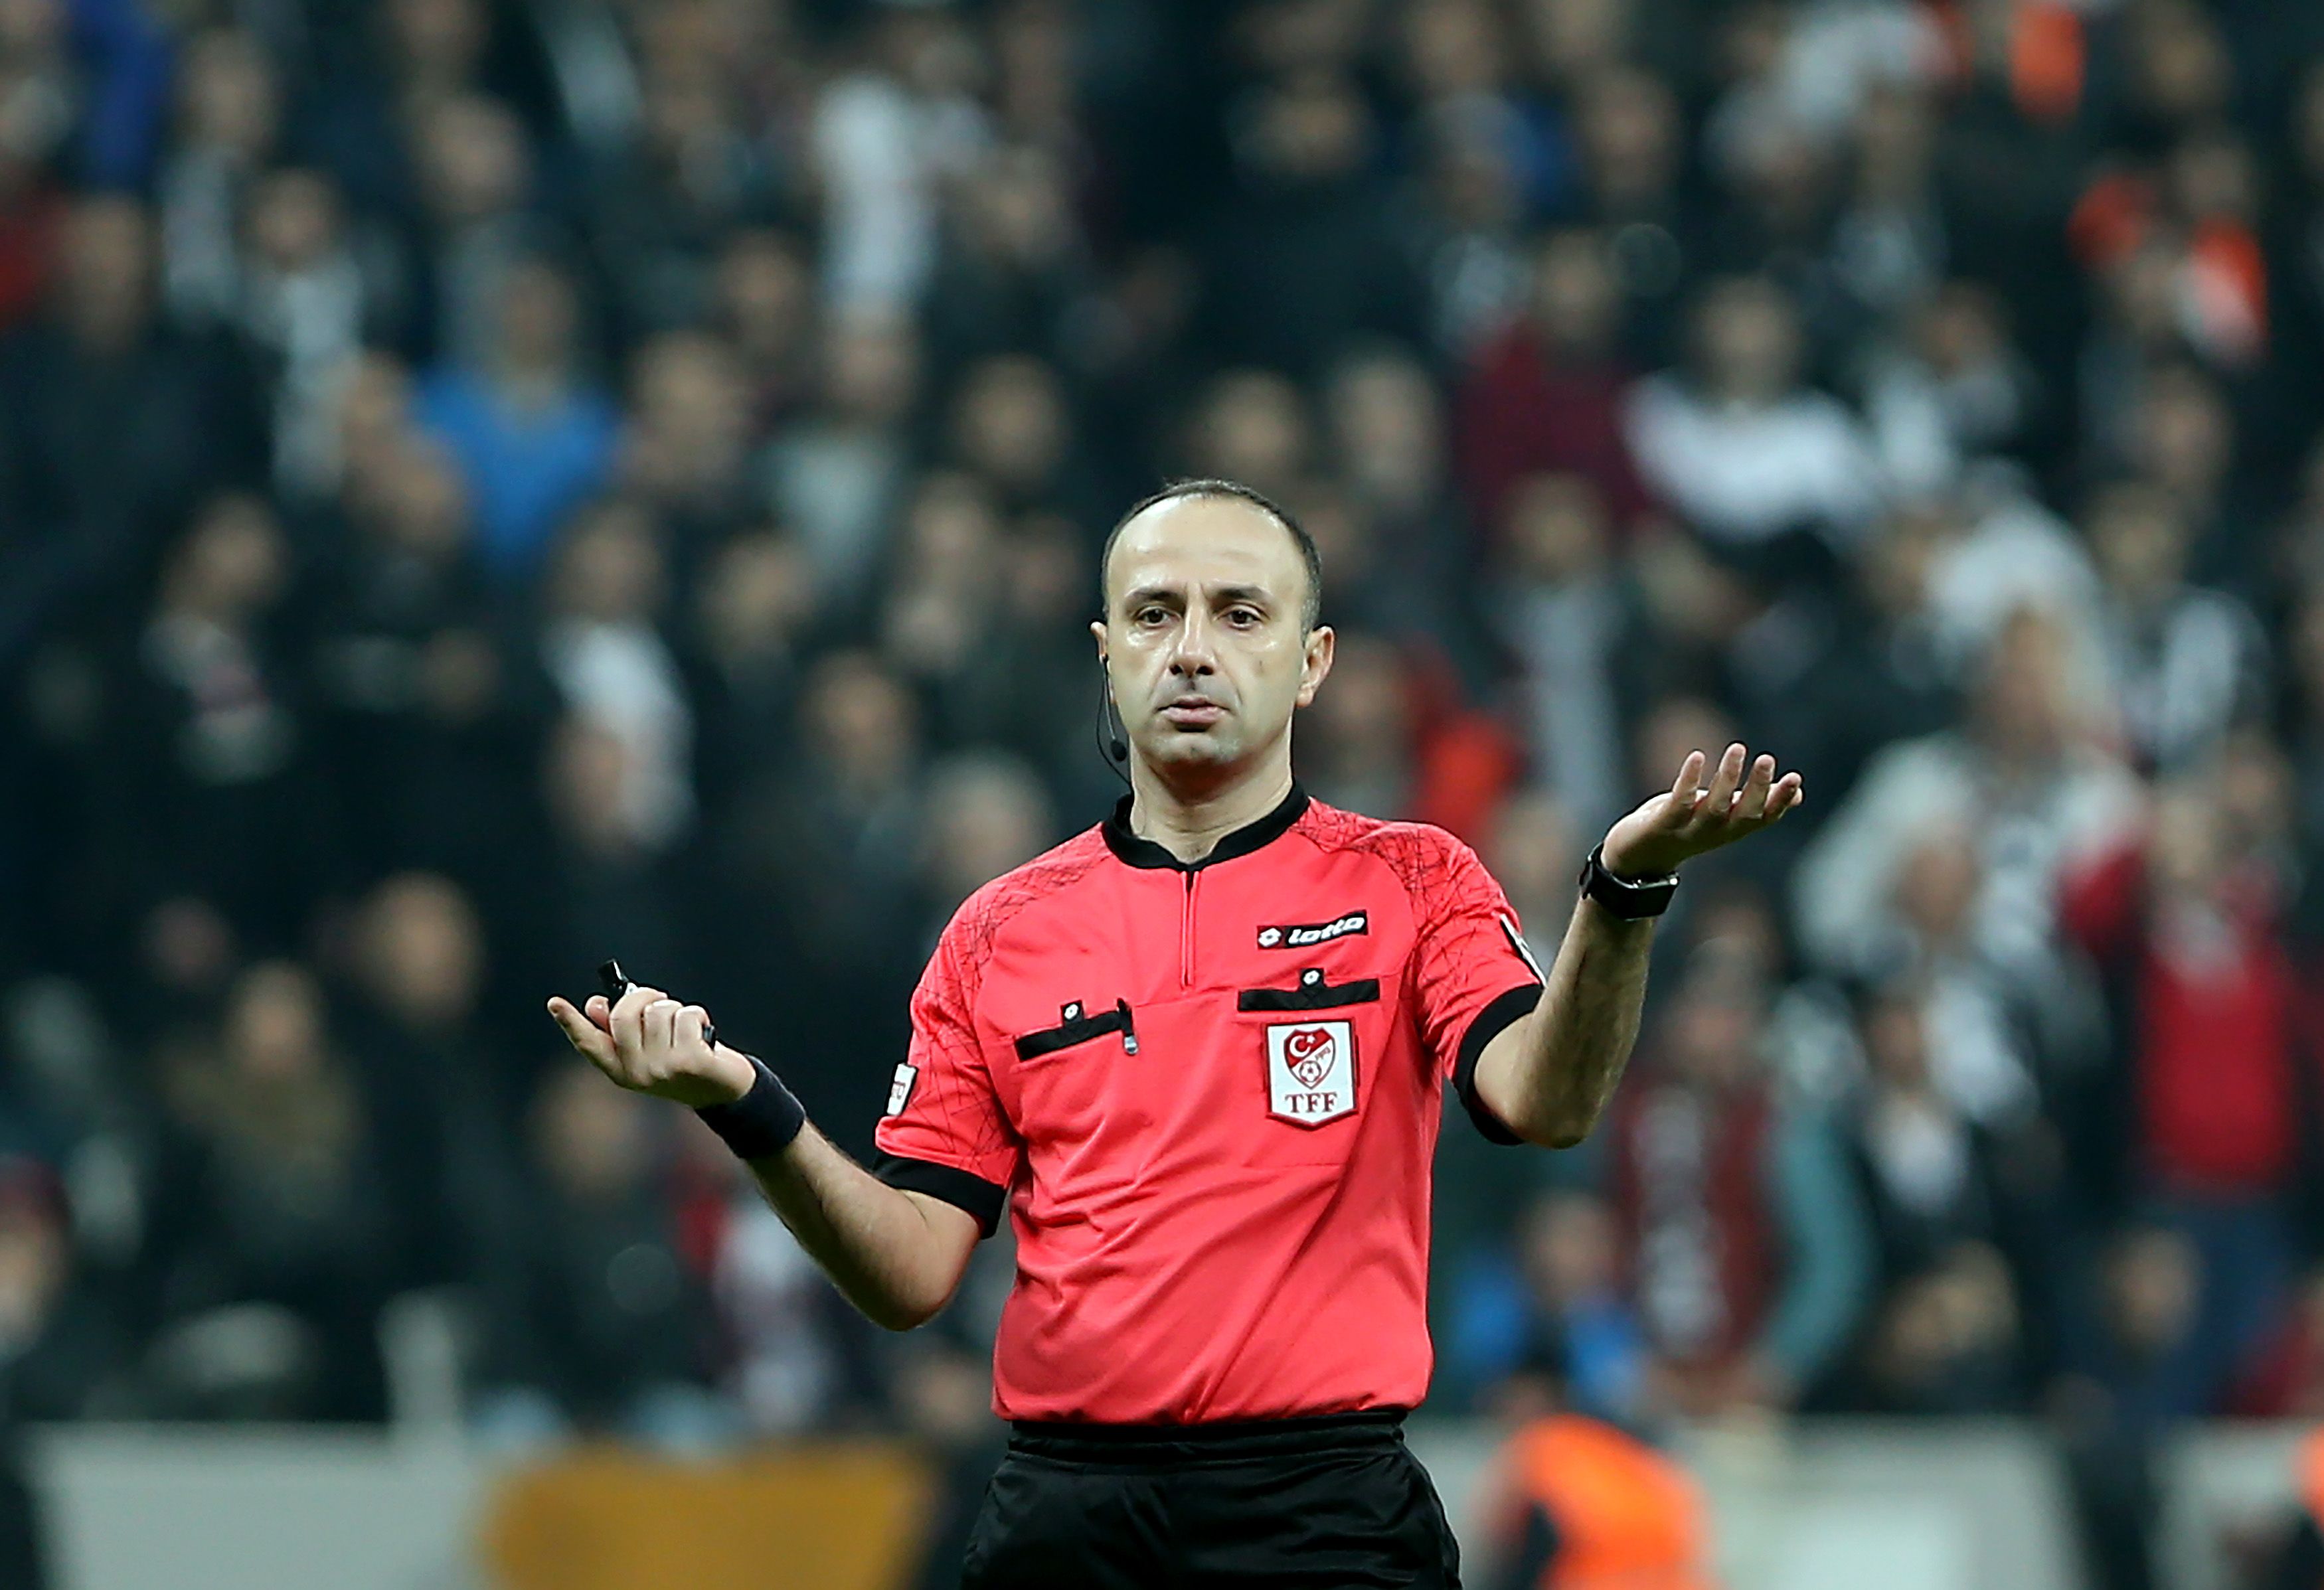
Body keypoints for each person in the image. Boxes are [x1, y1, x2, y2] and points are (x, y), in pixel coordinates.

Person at [546, 479, 1803, 1588]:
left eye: (1238, 615)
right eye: (1155, 615)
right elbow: (912, 1273)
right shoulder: (999, 933)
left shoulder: (1415, 882)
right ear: (1106, 653)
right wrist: (744, 1103)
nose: (1192, 650)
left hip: (1324, 1515)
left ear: (1312, 662)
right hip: (1067, 1513)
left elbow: (1548, 1100)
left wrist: (1622, 897)